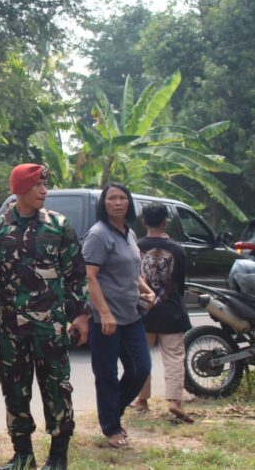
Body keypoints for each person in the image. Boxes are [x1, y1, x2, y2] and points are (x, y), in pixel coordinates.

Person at [0, 163, 89, 470]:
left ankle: (58, 457)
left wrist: (80, 316)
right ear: (20, 189)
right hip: (12, 328)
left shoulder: (59, 225)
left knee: (57, 388)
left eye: (45, 185)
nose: (44, 191)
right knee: (14, 389)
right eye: (38, 185)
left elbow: (75, 275)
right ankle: (23, 455)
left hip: (50, 327)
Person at [82, 183, 156, 450]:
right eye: (111, 198)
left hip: (132, 315)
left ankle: (112, 411)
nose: (117, 202)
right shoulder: (98, 235)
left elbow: (134, 271)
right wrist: (104, 313)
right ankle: (111, 427)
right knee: (107, 375)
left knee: (141, 369)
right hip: (106, 319)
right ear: (103, 203)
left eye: (122, 197)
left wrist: (148, 291)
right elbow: (90, 277)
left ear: (129, 202)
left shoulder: (129, 233)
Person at [130, 202, 193, 423]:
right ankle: (175, 401)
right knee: (174, 357)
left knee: (141, 357)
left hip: (142, 310)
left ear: (144, 222)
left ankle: (142, 400)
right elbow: (181, 282)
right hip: (171, 311)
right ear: (165, 221)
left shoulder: (135, 247)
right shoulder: (176, 249)